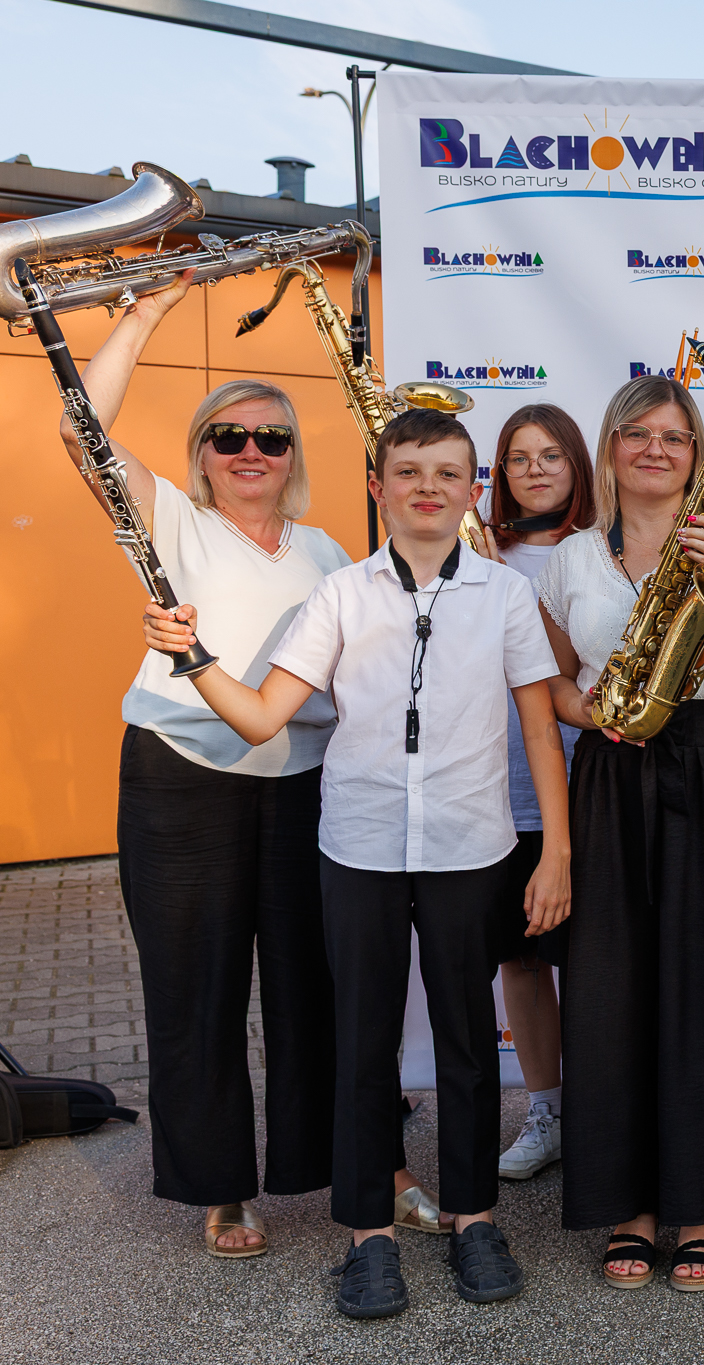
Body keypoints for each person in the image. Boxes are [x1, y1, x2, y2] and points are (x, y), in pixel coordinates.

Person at [146, 407, 570, 1316]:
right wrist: (192, 656)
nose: (428, 488)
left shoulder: (503, 595)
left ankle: (475, 1218)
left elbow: (540, 727)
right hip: (359, 849)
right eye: (408, 472)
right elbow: (264, 714)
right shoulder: (340, 593)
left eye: (447, 473)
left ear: (472, 490)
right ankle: (368, 1235)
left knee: (467, 1043)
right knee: (361, 1045)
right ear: (378, 487)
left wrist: (558, 853)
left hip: (471, 849)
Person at [71, 271, 443, 1261]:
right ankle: (223, 1188)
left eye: (270, 438)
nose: (249, 451)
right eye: (227, 437)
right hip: (178, 782)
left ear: (292, 458)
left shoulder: (329, 553)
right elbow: (79, 431)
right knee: (194, 990)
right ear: (201, 454)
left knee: (318, 992)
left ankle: (365, 1166)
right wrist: (145, 314)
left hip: (303, 789)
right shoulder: (170, 520)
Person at [536, 374, 704, 1293]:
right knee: (608, 988)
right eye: (638, 435)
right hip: (609, 766)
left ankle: (700, 1204)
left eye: (675, 437)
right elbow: (554, 684)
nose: (656, 450)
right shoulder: (570, 559)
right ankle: (628, 1204)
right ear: (612, 446)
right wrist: (588, 708)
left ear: (697, 454)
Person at [477, 404, 595, 1182]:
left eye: (551, 454)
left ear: (577, 463)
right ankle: (547, 1110)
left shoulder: (605, 549)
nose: (536, 470)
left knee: (595, 960)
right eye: (519, 458)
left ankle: (603, 1110)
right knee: (520, 959)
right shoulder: (481, 555)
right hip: (505, 790)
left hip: (594, 786)